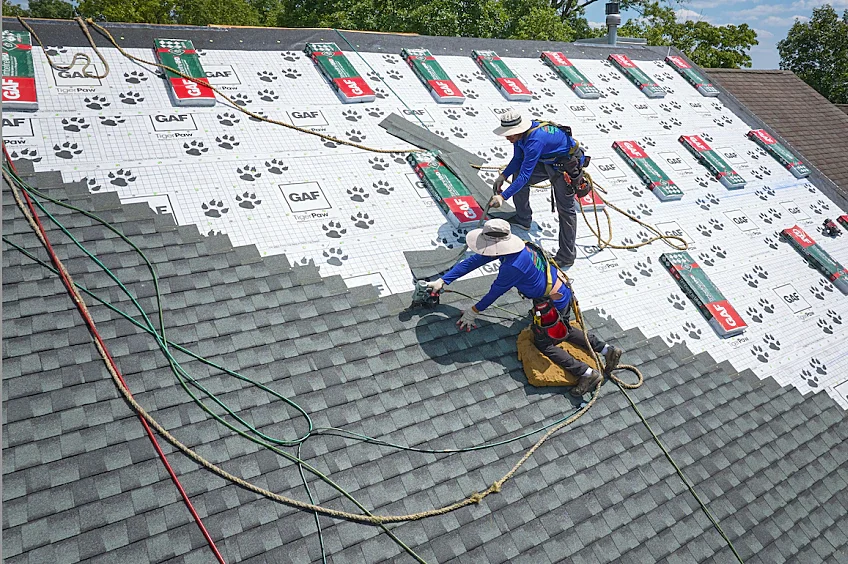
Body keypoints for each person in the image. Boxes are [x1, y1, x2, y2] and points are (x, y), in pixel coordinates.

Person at [426, 219, 622, 397]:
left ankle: (586, 373)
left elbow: (495, 292)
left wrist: (473, 312)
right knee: (564, 329)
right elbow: (475, 261)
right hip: (560, 290)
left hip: (552, 303)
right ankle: (607, 350)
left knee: (545, 343)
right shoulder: (519, 247)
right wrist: (444, 280)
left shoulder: (513, 266)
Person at [489, 108, 589, 268]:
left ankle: (566, 256)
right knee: (516, 171)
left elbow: (525, 176)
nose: (507, 138)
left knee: (566, 210)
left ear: (519, 130)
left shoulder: (534, 141)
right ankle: (523, 218)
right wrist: (503, 176)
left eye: (510, 134)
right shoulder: (521, 137)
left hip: (566, 165)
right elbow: (517, 159)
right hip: (548, 160)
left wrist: (503, 196)